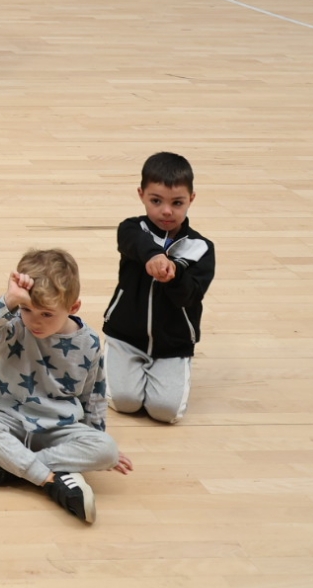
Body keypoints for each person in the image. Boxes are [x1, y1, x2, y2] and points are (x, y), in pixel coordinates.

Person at [0, 250, 130, 523]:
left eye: (46, 314)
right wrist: (9, 301)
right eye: (27, 309)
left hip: (59, 427)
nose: (35, 321)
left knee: (107, 450)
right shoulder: (15, 325)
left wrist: (93, 443)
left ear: (73, 307)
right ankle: (50, 479)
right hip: (6, 418)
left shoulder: (88, 342)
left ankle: (7, 465)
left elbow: (94, 396)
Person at [103, 152, 215, 425]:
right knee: (125, 402)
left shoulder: (201, 248)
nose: (166, 211)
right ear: (141, 195)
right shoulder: (132, 229)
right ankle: (119, 362)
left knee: (165, 411)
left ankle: (166, 371)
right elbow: (134, 243)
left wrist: (175, 276)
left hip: (173, 344)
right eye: (156, 201)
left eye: (177, 203)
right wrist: (154, 256)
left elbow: (191, 295)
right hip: (125, 337)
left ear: (191, 199)